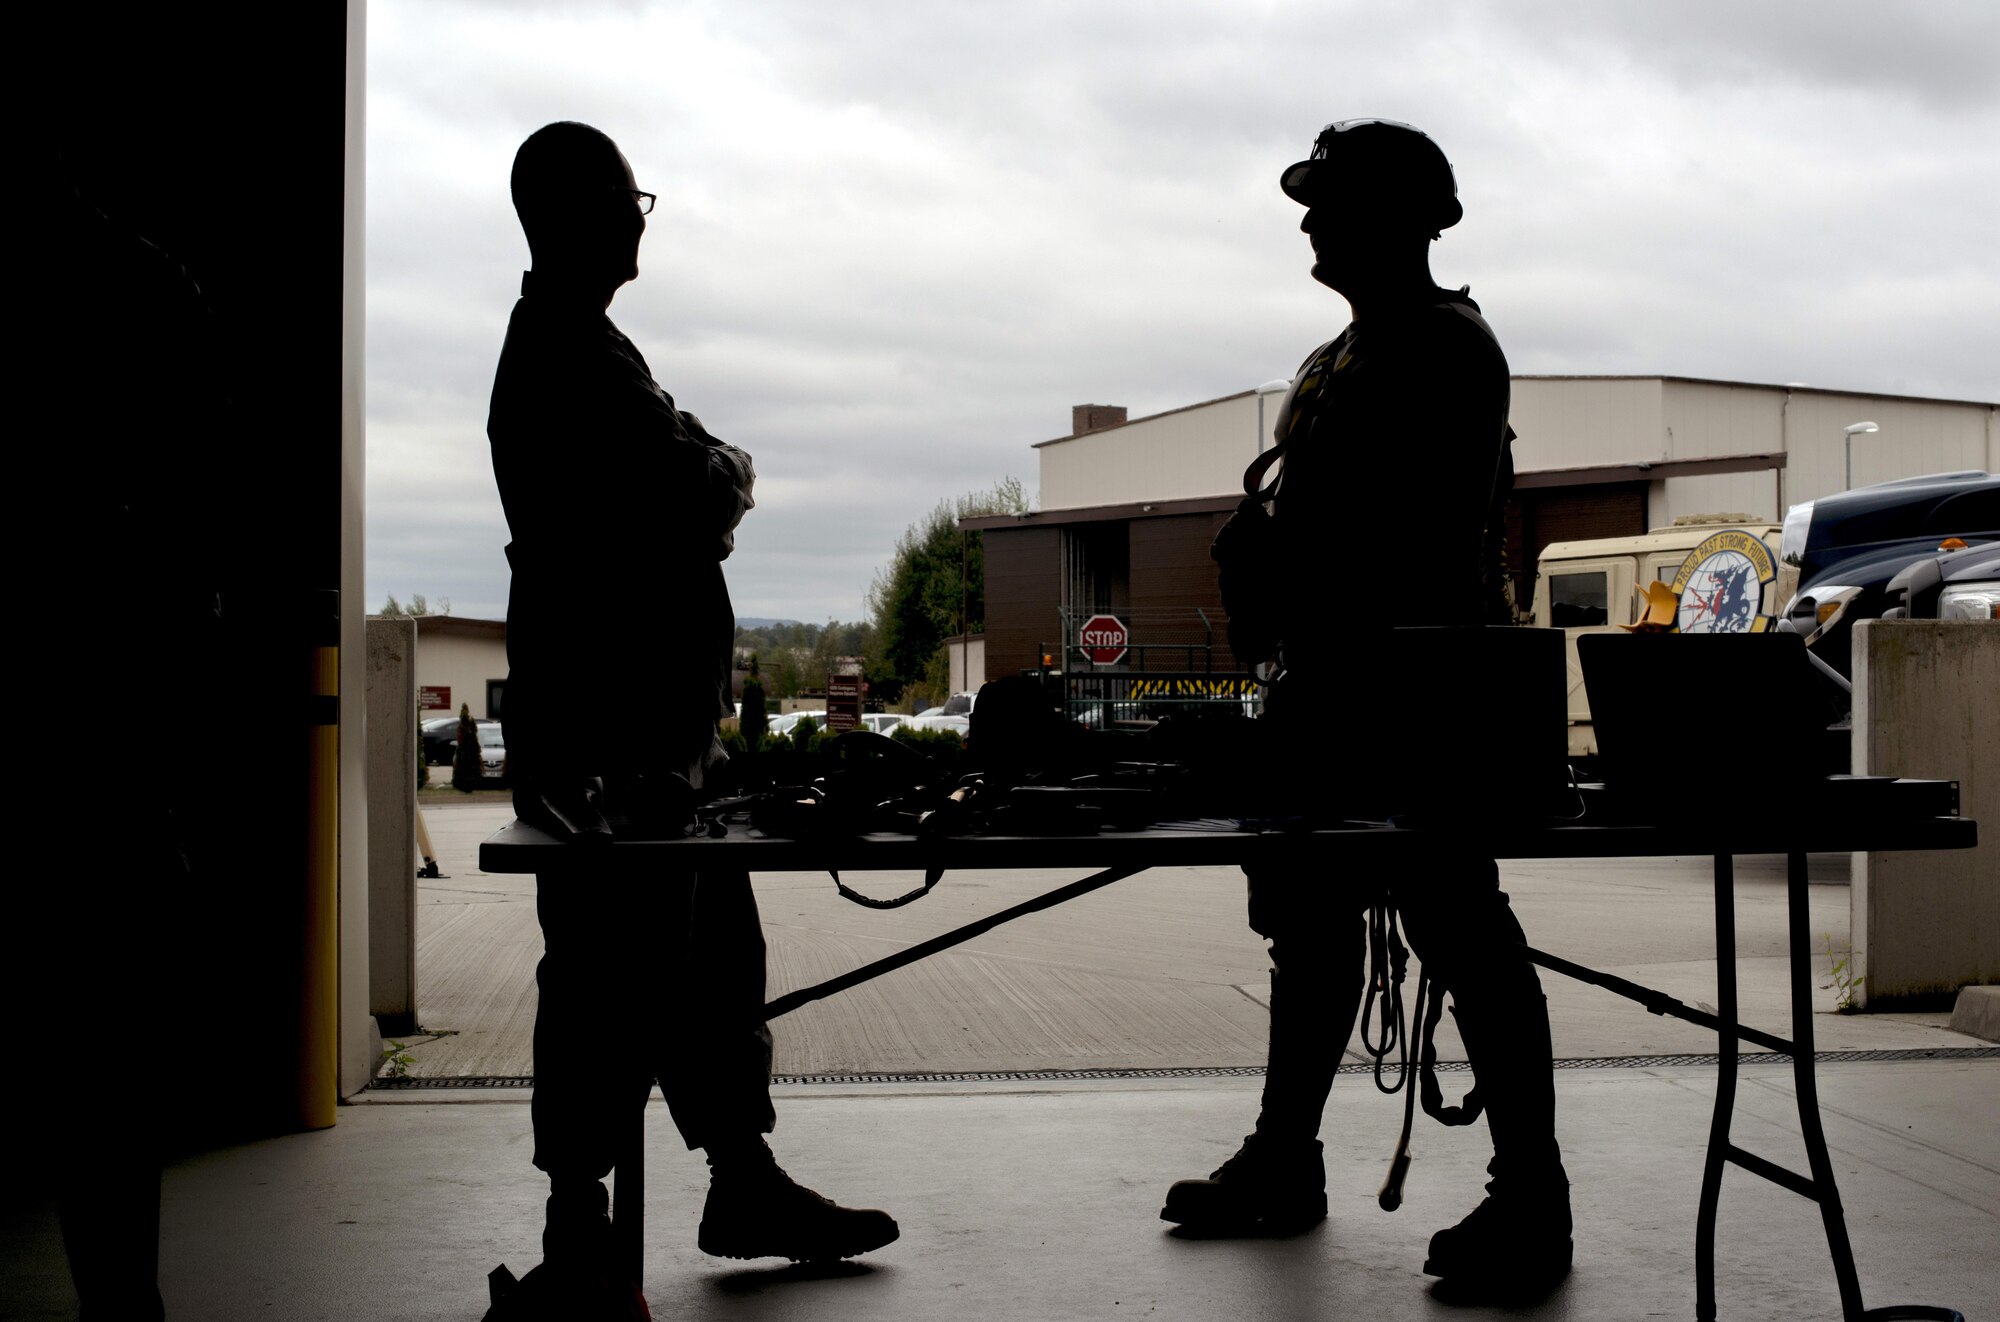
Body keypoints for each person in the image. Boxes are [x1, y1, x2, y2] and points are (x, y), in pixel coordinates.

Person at [487, 120, 897, 1310]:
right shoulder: (568, 357)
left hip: (661, 751)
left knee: (714, 962)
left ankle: (742, 1177)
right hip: (610, 754)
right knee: (608, 986)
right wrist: (712, 471)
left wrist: (704, 476)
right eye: (626, 198)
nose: (637, 218)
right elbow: (703, 482)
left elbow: (697, 486)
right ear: (572, 214)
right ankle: (581, 1245)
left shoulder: (594, 349)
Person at [1162, 119, 1571, 1299]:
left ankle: (1529, 1197)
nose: (1306, 222)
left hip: (1422, 693)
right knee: (1308, 927)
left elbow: (1413, 531)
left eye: (1328, 202)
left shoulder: (1443, 345)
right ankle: (1283, 1158)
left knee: (1462, 930)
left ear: (1403, 218)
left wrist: (1288, 562)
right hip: (1329, 689)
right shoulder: (1338, 357)